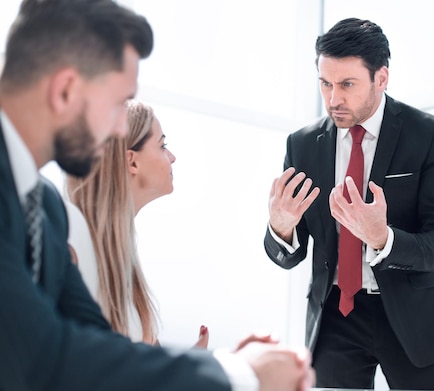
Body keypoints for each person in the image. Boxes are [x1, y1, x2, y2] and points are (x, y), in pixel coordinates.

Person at [0, 1, 313, 390]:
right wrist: (242, 373)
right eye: (118, 104)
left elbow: (101, 345)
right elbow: (43, 357)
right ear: (65, 90)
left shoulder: (46, 207)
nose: (119, 130)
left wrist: (228, 363)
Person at [264, 17, 434, 390]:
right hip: (335, 317)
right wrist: (281, 226)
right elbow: (288, 254)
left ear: (381, 78)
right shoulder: (302, 144)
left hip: (414, 317)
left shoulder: (429, 134)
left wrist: (382, 238)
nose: (333, 99)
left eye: (347, 84)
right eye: (325, 83)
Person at [64, 99, 207, 348]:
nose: (172, 157)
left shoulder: (122, 252)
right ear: (132, 162)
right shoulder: (71, 235)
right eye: (162, 146)